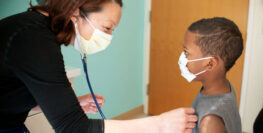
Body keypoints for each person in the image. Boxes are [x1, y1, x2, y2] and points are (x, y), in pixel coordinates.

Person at [0, 0, 198, 133]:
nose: (108, 38)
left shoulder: (39, 35)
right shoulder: (34, 39)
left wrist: (71, 104)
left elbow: (14, 93)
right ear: (76, 12)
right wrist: (160, 124)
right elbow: (74, 128)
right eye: (107, 28)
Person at [178, 17, 243, 133]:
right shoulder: (223, 87)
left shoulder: (210, 120)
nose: (182, 58)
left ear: (210, 63)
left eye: (187, 52)